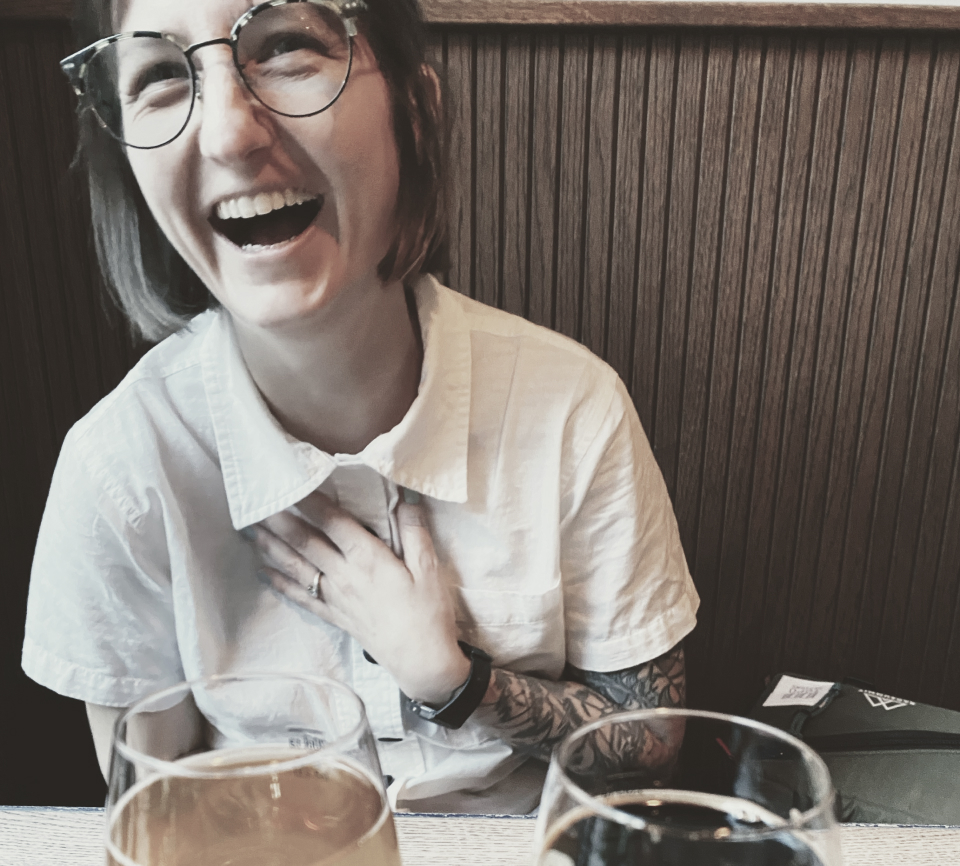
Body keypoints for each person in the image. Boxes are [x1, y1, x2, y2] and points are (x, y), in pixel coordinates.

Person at [22, 0, 699, 814]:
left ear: (415, 109)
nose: (230, 134)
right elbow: (151, 807)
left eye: (285, 49)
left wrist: (454, 679)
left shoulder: (572, 409)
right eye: (164, 76)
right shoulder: (119, 470)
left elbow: (649, 743)